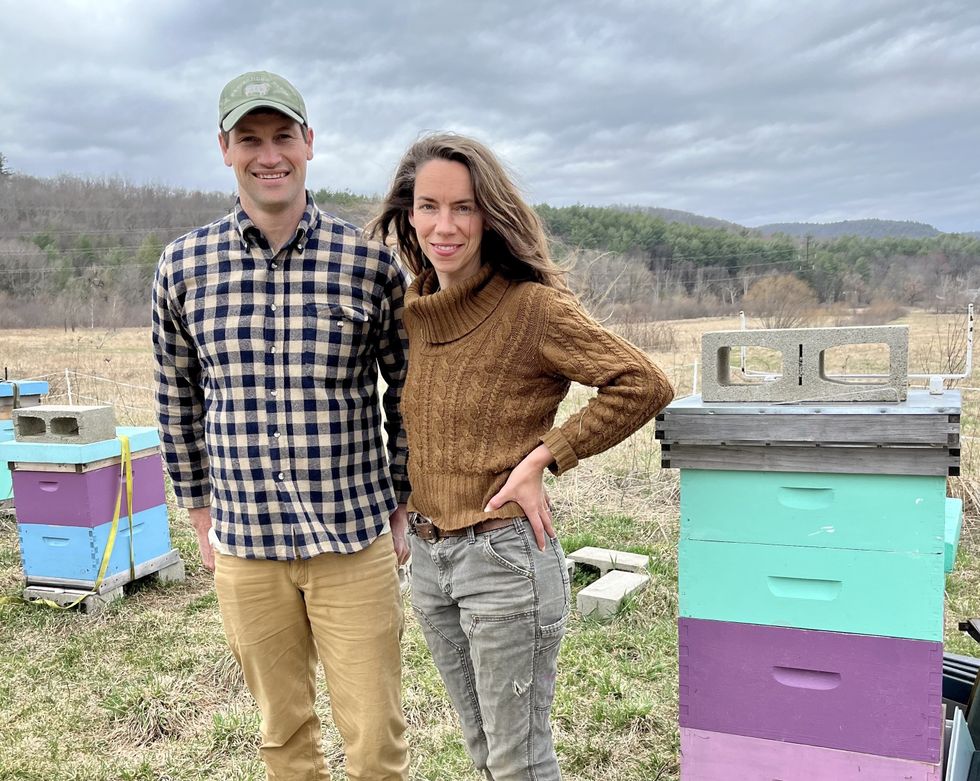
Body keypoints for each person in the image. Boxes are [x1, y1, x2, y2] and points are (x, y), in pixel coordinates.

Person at [369, 133, 674, 781]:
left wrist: (546, 456)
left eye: (464, 207)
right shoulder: (411, 311)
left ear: (490, 215)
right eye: (428, 206)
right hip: (430, 560)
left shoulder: (530, 307)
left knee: (519, 762)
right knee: (482, 749)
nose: (444, 225)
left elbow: (642, 382)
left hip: (503, 560)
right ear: (409, 212)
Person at [152, 71, 410, 781]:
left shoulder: (369, 263)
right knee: (283, 735)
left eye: (283, 137)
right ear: (225, 149)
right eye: (250, 140)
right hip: (246, 544)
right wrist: (197, 508)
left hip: (352, 538)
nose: (270, 155)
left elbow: (408, 392)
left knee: (376, 740)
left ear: (309, 143)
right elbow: (176, 395)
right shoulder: (183, 265)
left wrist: (401, 499)